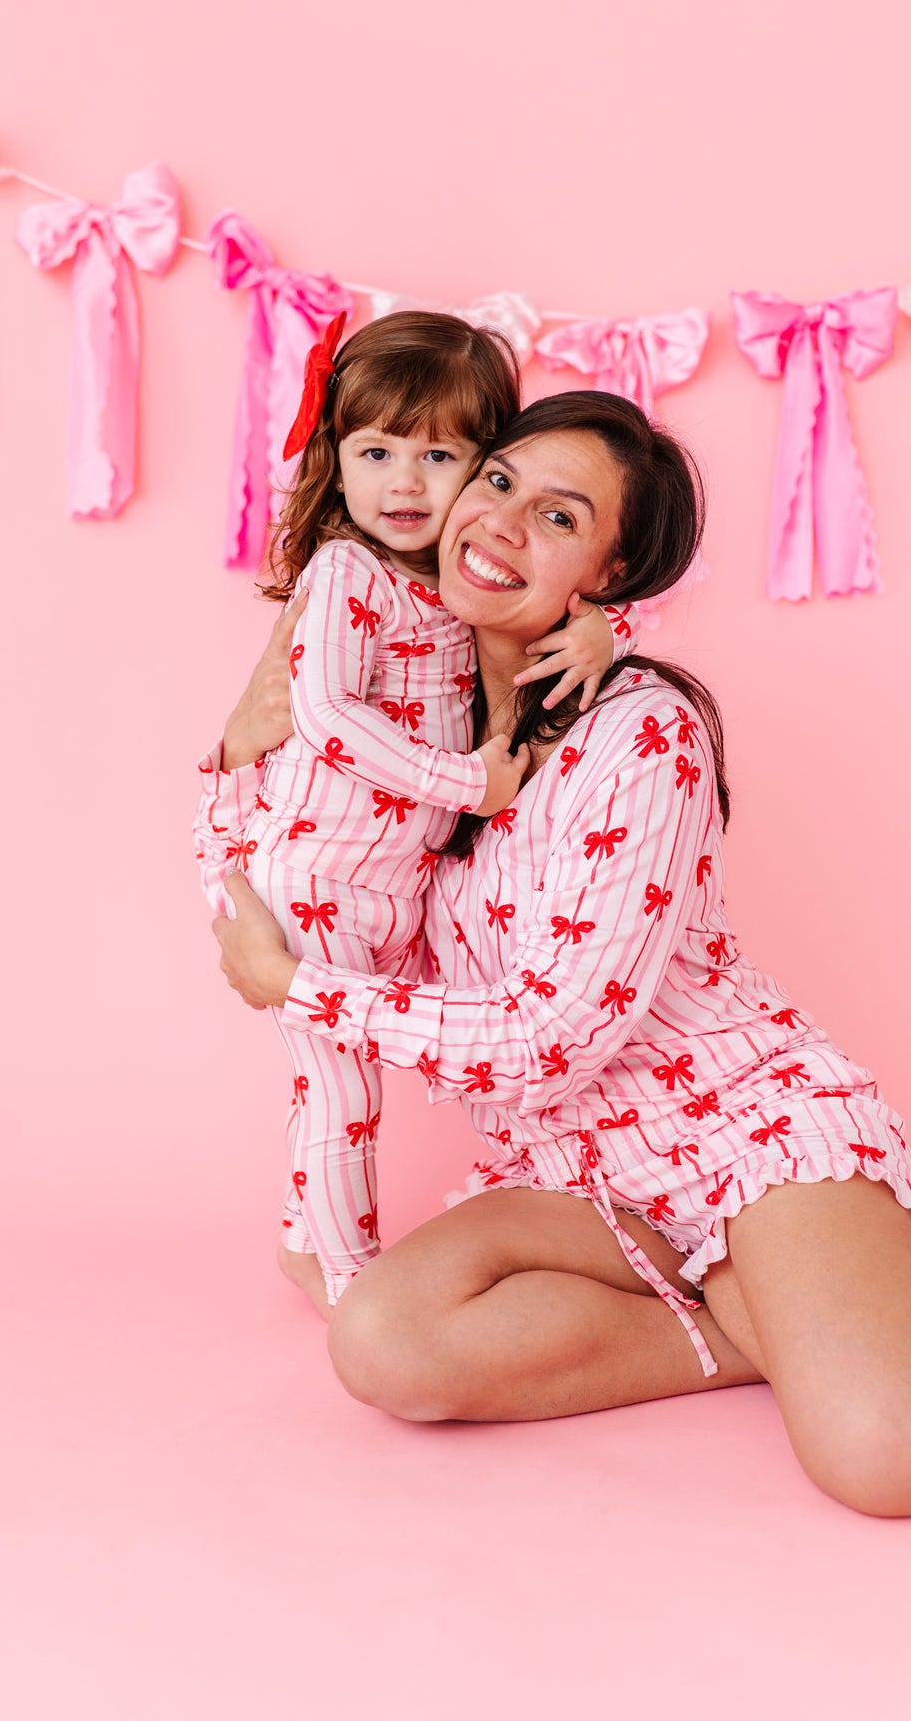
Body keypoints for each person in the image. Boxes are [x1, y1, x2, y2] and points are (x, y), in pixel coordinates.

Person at [207, 390, 911, 1517]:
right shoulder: (408, 727)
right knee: (383, 1342)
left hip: (741, 1134)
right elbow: (286, 851)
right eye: (498, 481)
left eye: (559, 517)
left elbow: (550, 1037)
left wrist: (299, 989)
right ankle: (761, 1328)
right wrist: (249, 723)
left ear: (608, 576)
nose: (501, 523)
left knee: (899, 1458)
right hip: (572, 1178)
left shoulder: (642, 734)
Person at [194, 314, 632, 1306]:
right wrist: (470, 783)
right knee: (341, 1090)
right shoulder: (347, 574)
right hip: (312, 874)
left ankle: (307, 1243)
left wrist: (604, 629)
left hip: (387, 891)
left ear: (485, 467)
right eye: (376, 452)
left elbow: (564, 592)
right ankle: (348, 1280)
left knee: (343, 1087)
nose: (404, 484)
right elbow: (325, 717)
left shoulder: (456, 582)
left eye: (438, 457)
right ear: (338, 460)